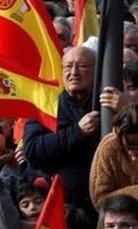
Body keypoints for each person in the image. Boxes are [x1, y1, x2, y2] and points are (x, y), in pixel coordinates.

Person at [24, 46, 101, 217]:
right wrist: (77, 132)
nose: (74, 72)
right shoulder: (46, 106)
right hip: (63, 204)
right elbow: (32, 149)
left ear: (97, 70)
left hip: (101, 202)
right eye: (68, 66)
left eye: (82, 66)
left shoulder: (107, 104)